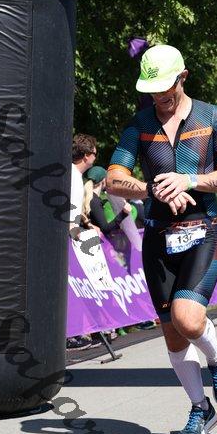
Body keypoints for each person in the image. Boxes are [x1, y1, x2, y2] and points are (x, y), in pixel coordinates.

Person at [107, 44, 217, 434]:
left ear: (183, 77)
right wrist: (153, 188)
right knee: (172, 334)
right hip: (158, 237)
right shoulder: (139, 124)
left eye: (165, 87)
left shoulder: (210, 116)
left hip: (204, 231)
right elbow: (113, 180)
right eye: (151, 90)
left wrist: (189, 180)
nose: (158, 96)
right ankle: (201, 409)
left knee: (188, 320)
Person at [67, 133, 98, 351]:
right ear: (86, 155)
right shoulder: (72, 177)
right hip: (67, 240)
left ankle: (74, 333)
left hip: (70, 235)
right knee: (70, 289)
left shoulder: (74, 175)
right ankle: (70, 336)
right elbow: (67, 214)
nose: (95, 157)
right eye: (94, 153)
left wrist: (85, 223)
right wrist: (78, 232)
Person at [83, 166, 132, 233]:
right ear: (103, 180)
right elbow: (105, 228)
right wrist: (124, 213)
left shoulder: (89, 198)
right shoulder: (94, 200)